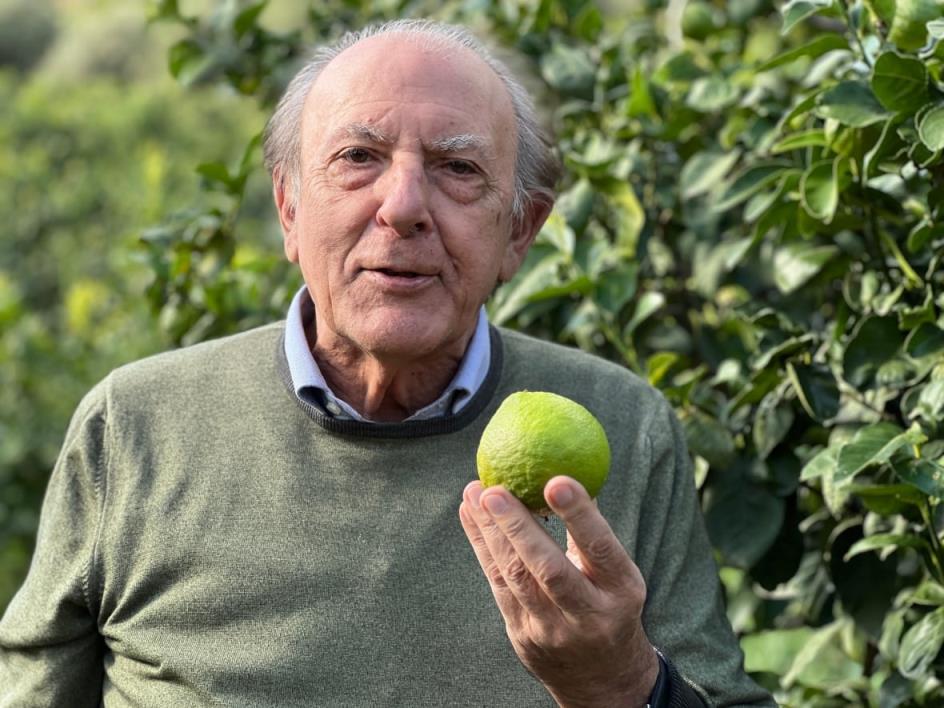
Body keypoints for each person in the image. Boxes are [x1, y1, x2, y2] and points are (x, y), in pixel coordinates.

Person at [0, 19, 774, 707]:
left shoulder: (622, 427)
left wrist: (622, 690)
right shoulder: (133, 427)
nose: (402, 205)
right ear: (290, 210)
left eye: (458, 169)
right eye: (358, 156)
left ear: (520, 232)